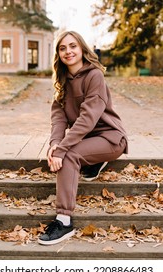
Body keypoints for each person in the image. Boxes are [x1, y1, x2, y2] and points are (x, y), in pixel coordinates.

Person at [38, 31, 128, 246]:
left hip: (110, 137)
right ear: (58, 54)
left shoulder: (94, 75)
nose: (68, 51)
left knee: (69, 157)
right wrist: (54, 144)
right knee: (64, 151)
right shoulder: (61, 82)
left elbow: (88, 118)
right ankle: (94, 161)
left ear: (82, 49)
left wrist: (62, 150)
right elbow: (58, 120)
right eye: (62, 48)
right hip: (85, 139)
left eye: (73, 46)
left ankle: (64, 221)